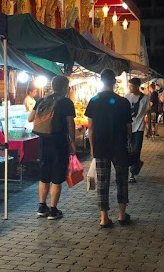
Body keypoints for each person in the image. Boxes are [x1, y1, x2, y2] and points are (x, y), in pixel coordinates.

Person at [86, 69, 132, 228]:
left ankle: (104, 218)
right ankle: (121, 215)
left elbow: (90, 128)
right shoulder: (123, 102)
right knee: (122, 180)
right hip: (119, 146)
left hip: (100, 145)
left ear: (101, 81)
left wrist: (92, 147)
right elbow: (129, 127)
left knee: (102, 181)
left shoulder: (93, 100)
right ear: (114, 81)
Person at [28, 75, 75, 220]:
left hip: (43, 142)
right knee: (57, 177)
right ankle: (53, 210)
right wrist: (72, 141)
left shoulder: (42, 100)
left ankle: (42, 207)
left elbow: (30, 118)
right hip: (59, 142)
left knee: (44, 175)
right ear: (65, 87)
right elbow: (70, 124)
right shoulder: (66, 102)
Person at [125, 77, 149, 184]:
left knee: (136, 149)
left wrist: (150, 129)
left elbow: (148, 113)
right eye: (129, 85)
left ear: (137, 86)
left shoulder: (145, 98)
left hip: (139, 127)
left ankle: (132, 174)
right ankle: (137, 164)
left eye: (132, 86)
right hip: (127, 127)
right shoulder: (126, 97)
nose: (130, 88)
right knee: (127, 150)